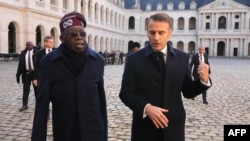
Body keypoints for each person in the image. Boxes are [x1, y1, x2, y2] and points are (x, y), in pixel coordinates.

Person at [119, 13, 212, 141]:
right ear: (147, 32)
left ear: (170, 33)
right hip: (145, 129)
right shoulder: (133, 59)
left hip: (173, 127)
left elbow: (188, 91)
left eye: (161, 33)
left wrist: (203, 80)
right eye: (152, 32)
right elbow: (125, 93)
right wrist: (147, 108)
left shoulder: (182, 57)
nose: (156, 37)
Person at [31, 11, 107, 141]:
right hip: (65, 133)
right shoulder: (49, 63)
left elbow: (101, 102)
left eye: (82, 33)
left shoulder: (97, 61)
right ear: (62, 38)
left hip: (94, 133)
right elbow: (41, 106)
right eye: (73, 34)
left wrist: (104, 135)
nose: (79, 37)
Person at [16, 41, 37, 111]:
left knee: (37, 90)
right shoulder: (23, 53)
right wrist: (18, 75)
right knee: (25, 90)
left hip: (35, 74)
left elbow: (40, 65)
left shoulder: (37, 52)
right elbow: (20, 65)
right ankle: (24, 105)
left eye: (30, 45)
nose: (28, 46)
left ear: (32, 45)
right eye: (27, 45)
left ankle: (38, 105)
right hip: (26, 74)